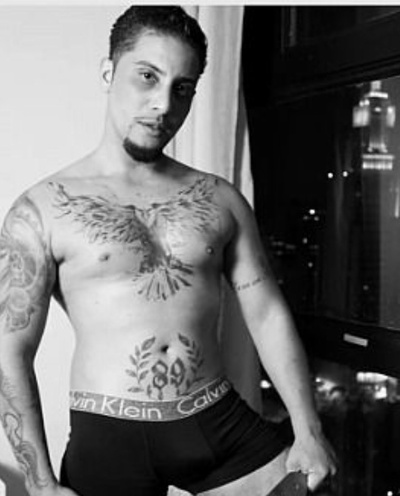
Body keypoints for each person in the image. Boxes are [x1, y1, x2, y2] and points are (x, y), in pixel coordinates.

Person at [0, 6, 336, 496]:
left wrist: (309, 429)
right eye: (147, 77)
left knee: (307, 483)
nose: (163, 104)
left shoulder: (220, 199)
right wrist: (40, 484)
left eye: (182, 88)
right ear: (108, 72)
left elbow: (266, 313)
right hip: (110, 436)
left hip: (214, 419)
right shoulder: (42, 209)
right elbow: (9, 350)